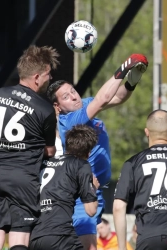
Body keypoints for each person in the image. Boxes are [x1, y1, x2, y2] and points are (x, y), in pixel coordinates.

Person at [47, 54, 148, 250]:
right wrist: (126, 67)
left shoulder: (84, 104)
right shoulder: (69, 121)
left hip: (94, 190)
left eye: (73, 91)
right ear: (58, 107)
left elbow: (117, 97)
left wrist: (132, 80)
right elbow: (103, 98)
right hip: (80, 193)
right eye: (66, 97)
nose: (74, 96)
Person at [0, 45, 59, 250]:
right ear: (36, 77)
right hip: (23, 180)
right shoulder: (45, 108)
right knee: (19, 240)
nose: (49, 79)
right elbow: (50, 152)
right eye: (48, 75)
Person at [113, 109, 167, 250]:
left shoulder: (133, 163)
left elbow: (118, 207)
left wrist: (122, 248)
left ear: (147, 132)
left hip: (150, 238)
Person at [30, 125, 99, 250]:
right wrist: (93, 188)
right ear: (88, 153)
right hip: (60, 235)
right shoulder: (81, 165)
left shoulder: (45, 162)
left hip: (34, 236)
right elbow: (91, 210)